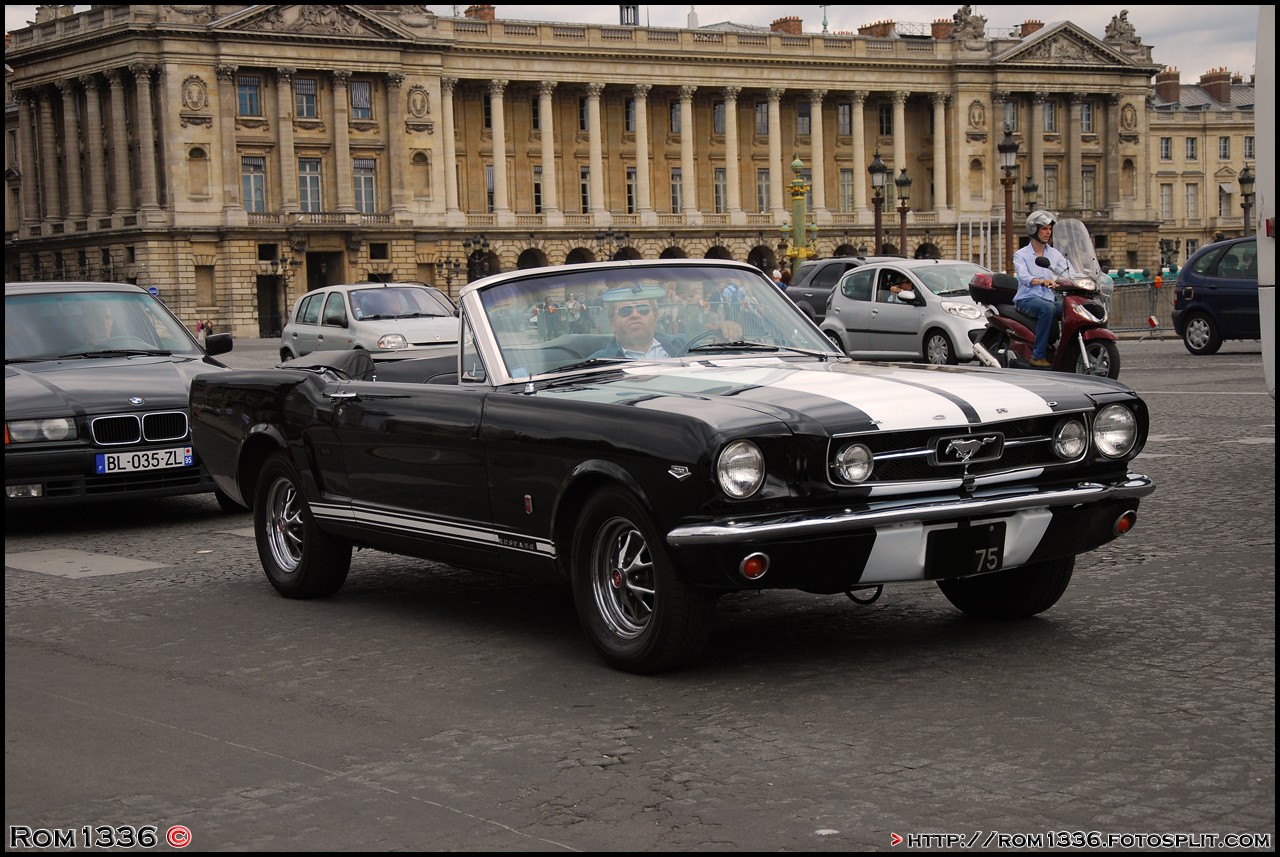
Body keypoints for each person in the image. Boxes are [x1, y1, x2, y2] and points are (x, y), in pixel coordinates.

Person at [589, 282, 741, 360]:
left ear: (655, 315)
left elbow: (717, 366)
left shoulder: (681, 344)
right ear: (612, 322)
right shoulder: (597, 361)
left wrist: (730, 335)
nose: (635, 315)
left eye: (643, 309)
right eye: (625, 311)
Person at [1013, 210, 1074, 368]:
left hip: (1048, 299)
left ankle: (1071, 350)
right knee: (1047, 309)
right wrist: (1041, 281)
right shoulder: (1021, 255)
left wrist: (1087, 278)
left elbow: (1069, 272)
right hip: (1026, 298)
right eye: (1044, 229)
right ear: (1034, 230)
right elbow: (1023, 277)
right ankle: (1037, 355)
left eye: (1049, 229)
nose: (1048, 232)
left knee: (1073, 308)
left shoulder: (1054, 254)